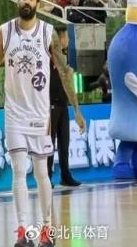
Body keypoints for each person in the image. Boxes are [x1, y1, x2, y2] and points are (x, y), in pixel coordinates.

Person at [0, 0, 86, 247]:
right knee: (18, 171)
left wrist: (77, 109)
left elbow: (65, 73)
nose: (26, 1)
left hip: (40, 114)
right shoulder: (5, 31)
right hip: (14, 113)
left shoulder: (47, 33)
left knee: (42, 173)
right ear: (18, 0)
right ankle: (22, 231)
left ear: (37, 3)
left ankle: (47, 229)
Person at [47, 26, 83, 188]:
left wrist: (76, 109)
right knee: (50, 142)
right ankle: (47, 177)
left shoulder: (65, 59)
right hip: (50, 104)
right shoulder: (48, 56)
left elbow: (68, 84)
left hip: (63, 103)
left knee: (64, 142)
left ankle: (65, 175)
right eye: (67, 37)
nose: (68, 40)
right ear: (60, 39)